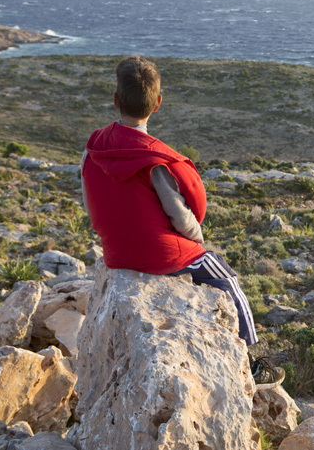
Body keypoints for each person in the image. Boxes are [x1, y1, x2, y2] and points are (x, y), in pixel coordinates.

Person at [81, 56, 283, 389]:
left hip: (115, 255)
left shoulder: (94, 149)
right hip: (159, 256)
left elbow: (90, 202)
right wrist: (196, 239)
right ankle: (250, 362)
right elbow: (181, 217)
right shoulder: (155, 159)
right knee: (224, 275)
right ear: (158, 103)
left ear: (115, 100)